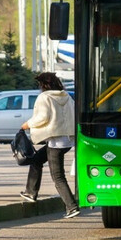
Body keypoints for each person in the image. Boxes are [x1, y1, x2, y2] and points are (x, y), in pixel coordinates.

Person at [20, 72, 80, 219]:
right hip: (67, 140)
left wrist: (28, 124)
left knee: (58, 176)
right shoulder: (66, 96)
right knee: (36, 160)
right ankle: (30, 192)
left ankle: (72, 207)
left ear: (43, 85)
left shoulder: (44, 97)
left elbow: (42, 117)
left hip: (55, 141)